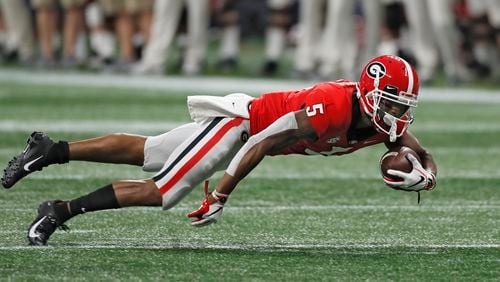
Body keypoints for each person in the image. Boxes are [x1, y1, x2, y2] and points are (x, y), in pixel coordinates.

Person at [2, 55, 437, 245]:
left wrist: (426, 174)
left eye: (403, 106)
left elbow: (421, 150)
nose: (398, 113)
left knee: (149, 151)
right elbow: (265, 140)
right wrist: (221, 193)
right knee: (166, 190)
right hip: (242, 126)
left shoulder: (380, 125)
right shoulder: (333, 107)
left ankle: (49, 150)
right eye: (393, 102)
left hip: (245, 132)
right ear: (371, 93)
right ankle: (59, 210)